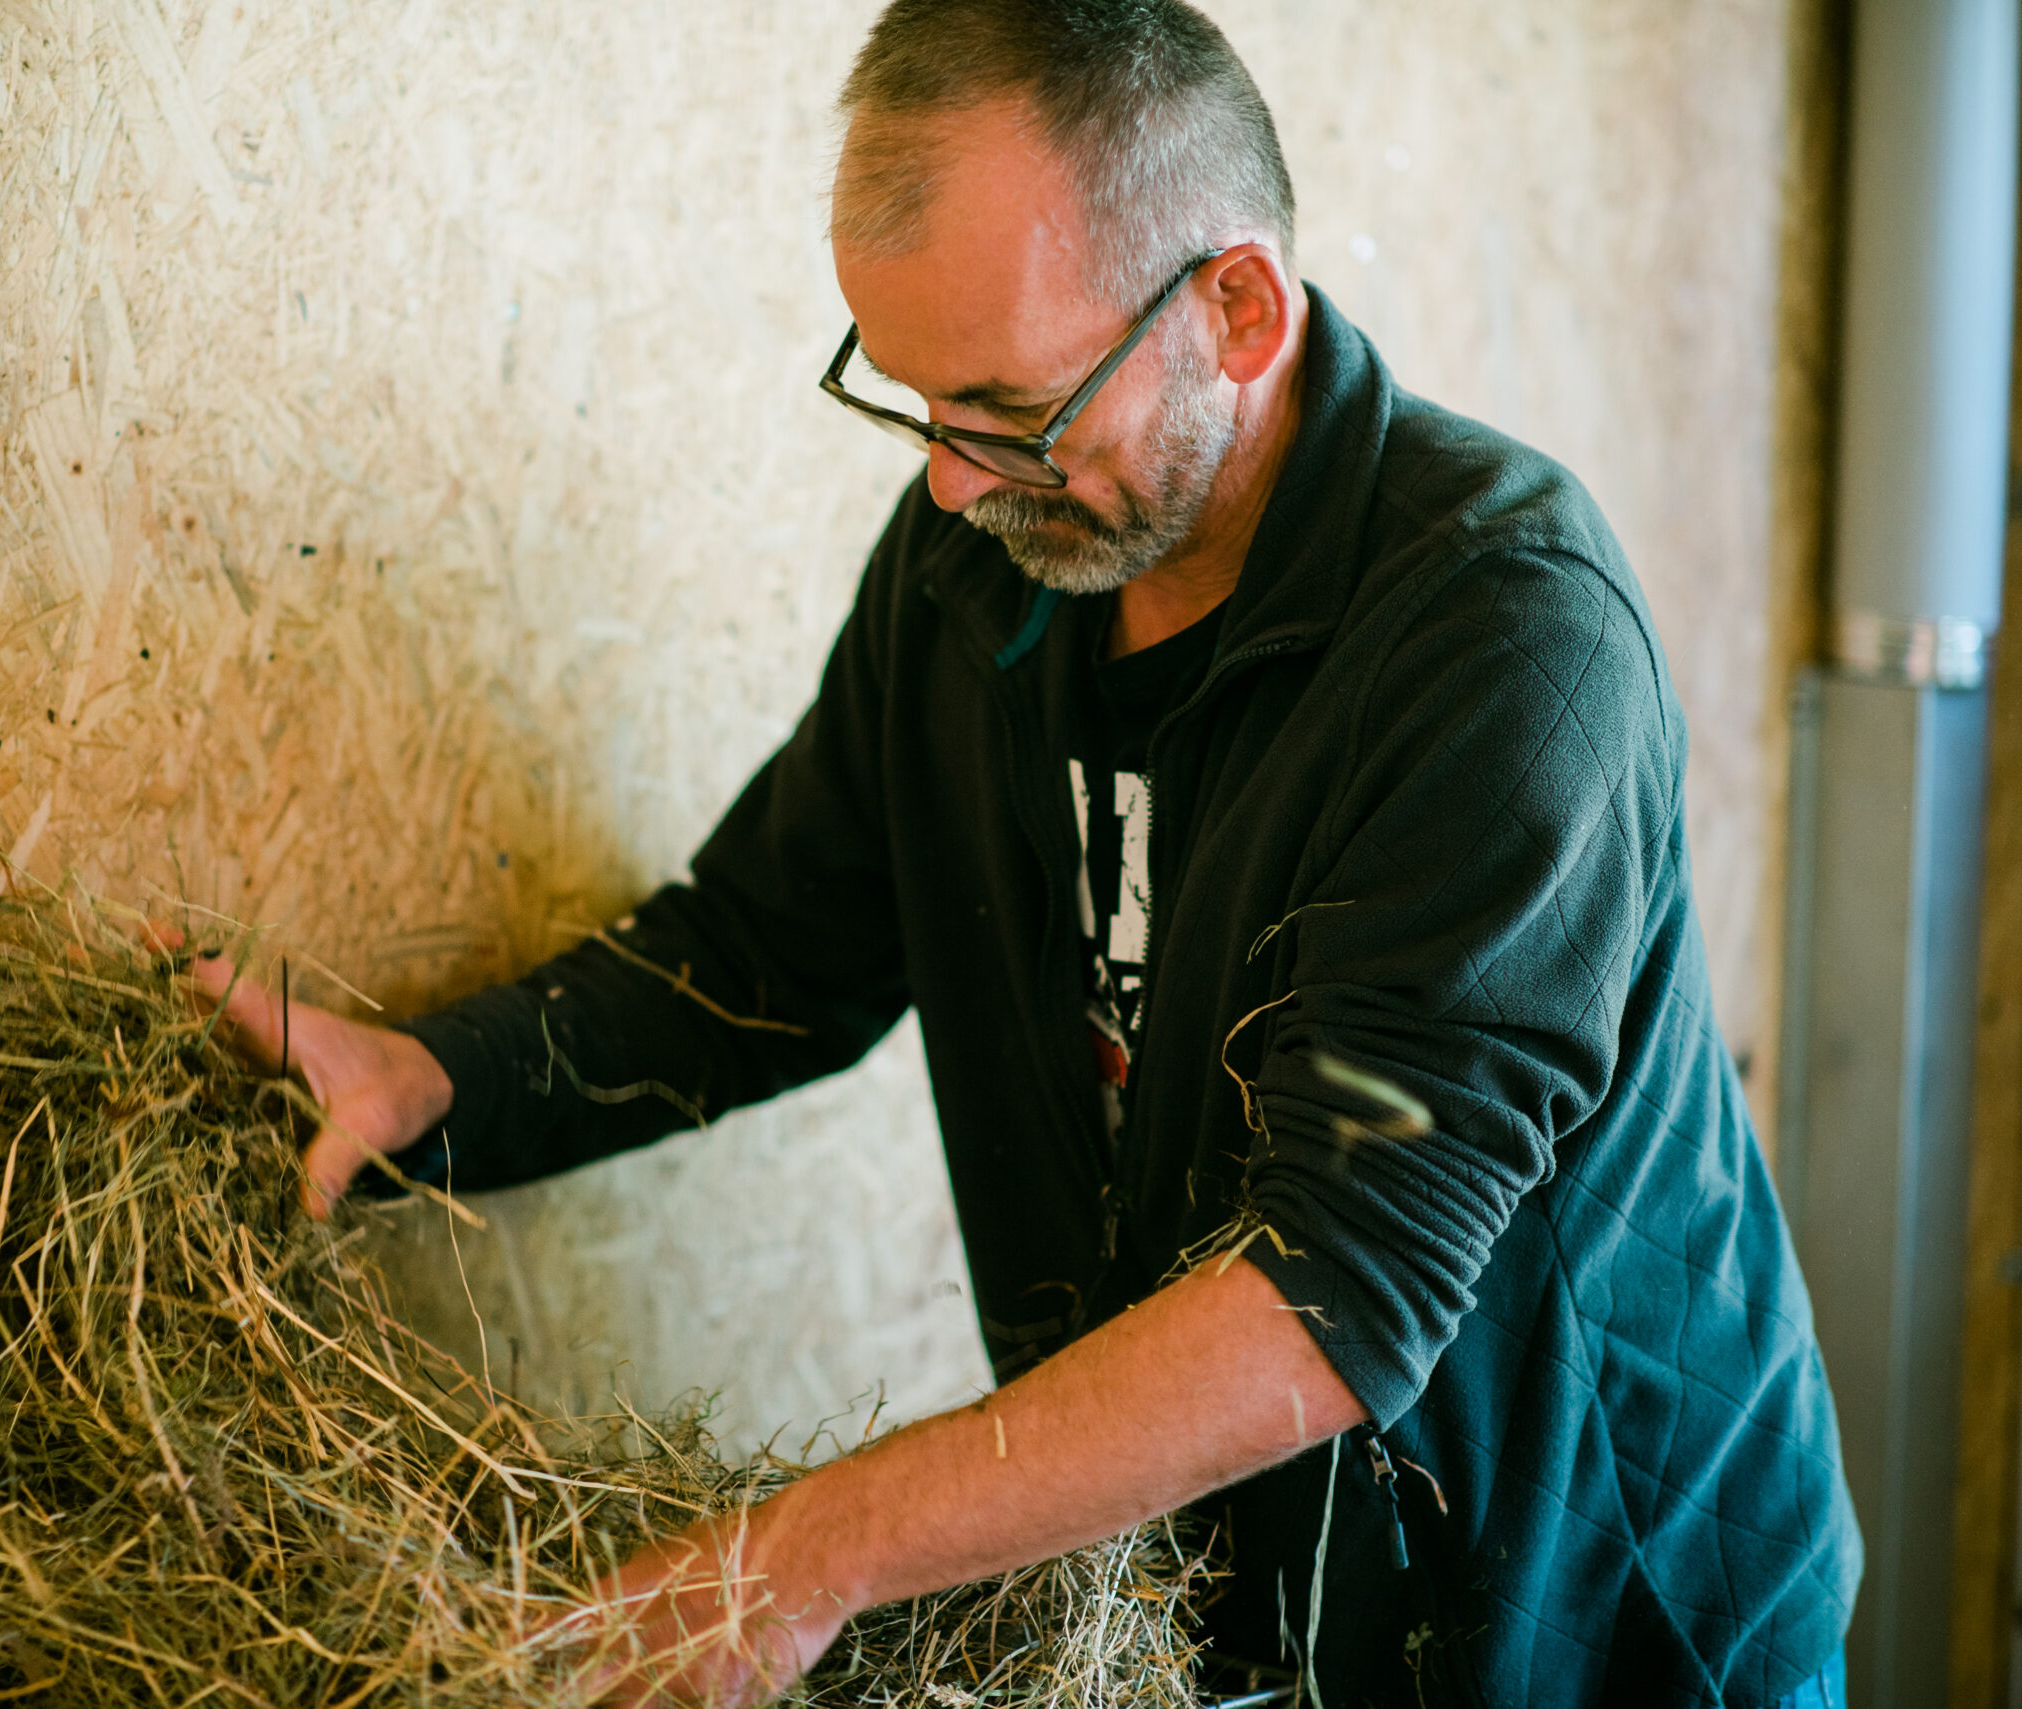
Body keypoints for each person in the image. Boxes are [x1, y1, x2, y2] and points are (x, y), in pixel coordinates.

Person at [188, 2, 1860, 1702]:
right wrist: (437, 1083)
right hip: (1228, 1605)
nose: (942, 481)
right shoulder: (990, 558)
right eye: (909, 400)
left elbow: (1332, 1285)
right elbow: (772, 946)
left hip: (1584, 1614)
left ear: (1239, 308)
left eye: (1003, 408)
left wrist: (803, 1554)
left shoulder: (1506, 639)